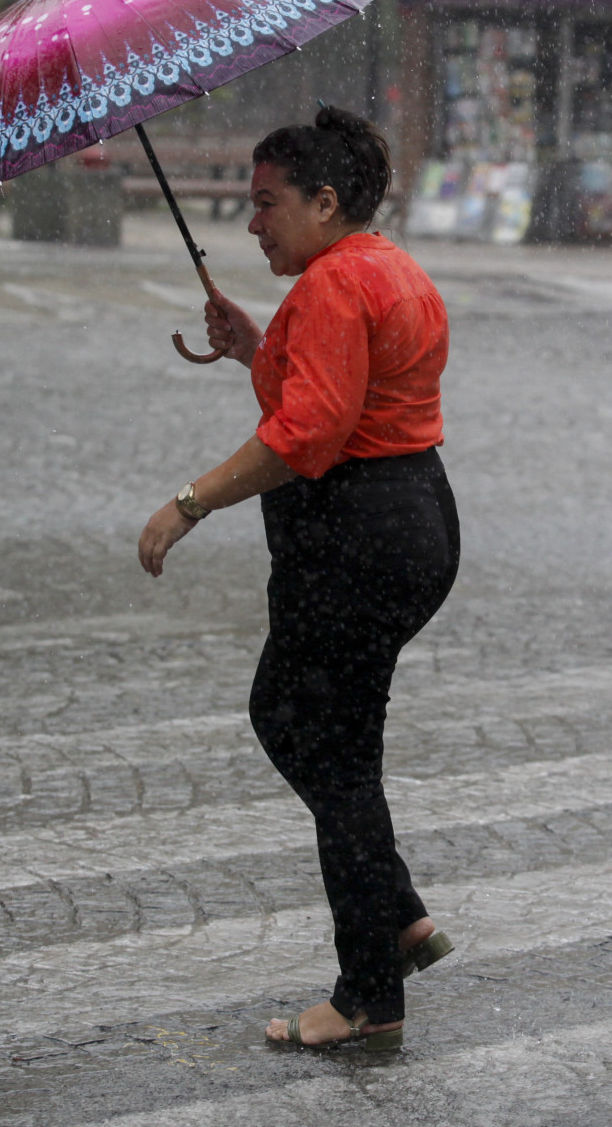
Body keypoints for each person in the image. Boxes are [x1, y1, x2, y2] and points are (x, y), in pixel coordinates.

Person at [137, 106, 459, 1053]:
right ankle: (396, 914)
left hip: (354, 540)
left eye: (267, 203)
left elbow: (309, 434)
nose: (252, 223)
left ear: (325, 201)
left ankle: (368, 990)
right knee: (308, 725)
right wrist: (252, 346)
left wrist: (188, 502)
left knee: (321, 739)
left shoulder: (330, 287)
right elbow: (337, 392)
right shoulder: (381, 267)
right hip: (411, 521)